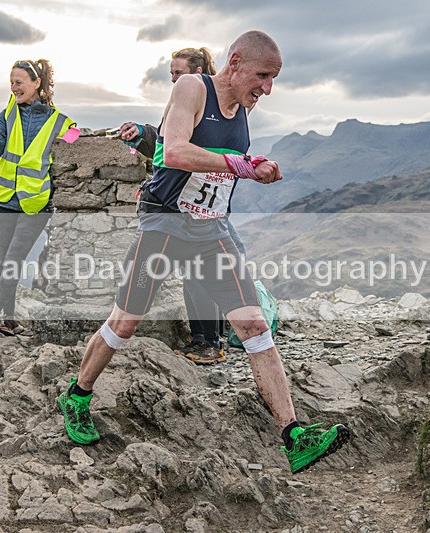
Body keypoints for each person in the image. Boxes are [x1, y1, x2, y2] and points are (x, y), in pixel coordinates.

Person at [58, 31, 350, 474]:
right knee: (126, 321)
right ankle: (77, 394)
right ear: (234, 62)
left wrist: (255, 167)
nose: (267, 88)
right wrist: (243, 165)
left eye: (273, 80)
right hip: (166, 224)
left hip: (211, 229)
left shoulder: (244, 109)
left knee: (253, 323)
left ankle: (293, 435)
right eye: (263, 76)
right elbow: (174, 151)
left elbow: (224, 164)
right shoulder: (192, 87)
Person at [117, 47, 240, 364]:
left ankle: (209, 342)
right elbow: (165, 145)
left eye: (178, 73)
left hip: (186, 208)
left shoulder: (205, 100)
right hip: (178, 205)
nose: (173, 79)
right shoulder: (188, 101)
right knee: (195, 272)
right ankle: (211, 339)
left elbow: (186, 150)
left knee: (198, 274)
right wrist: (140, 133)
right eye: (171, 74)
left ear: (198, 72)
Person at [0, 58, 78, 339]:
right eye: (11, 82)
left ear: (37, 84)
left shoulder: (59, 121)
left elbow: (79, 143)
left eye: (19, 82)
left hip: (36, 204)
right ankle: (9, 321)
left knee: (12, 261)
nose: (13, 88)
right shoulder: (6, 115)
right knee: (5, 264)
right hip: (3, 200)